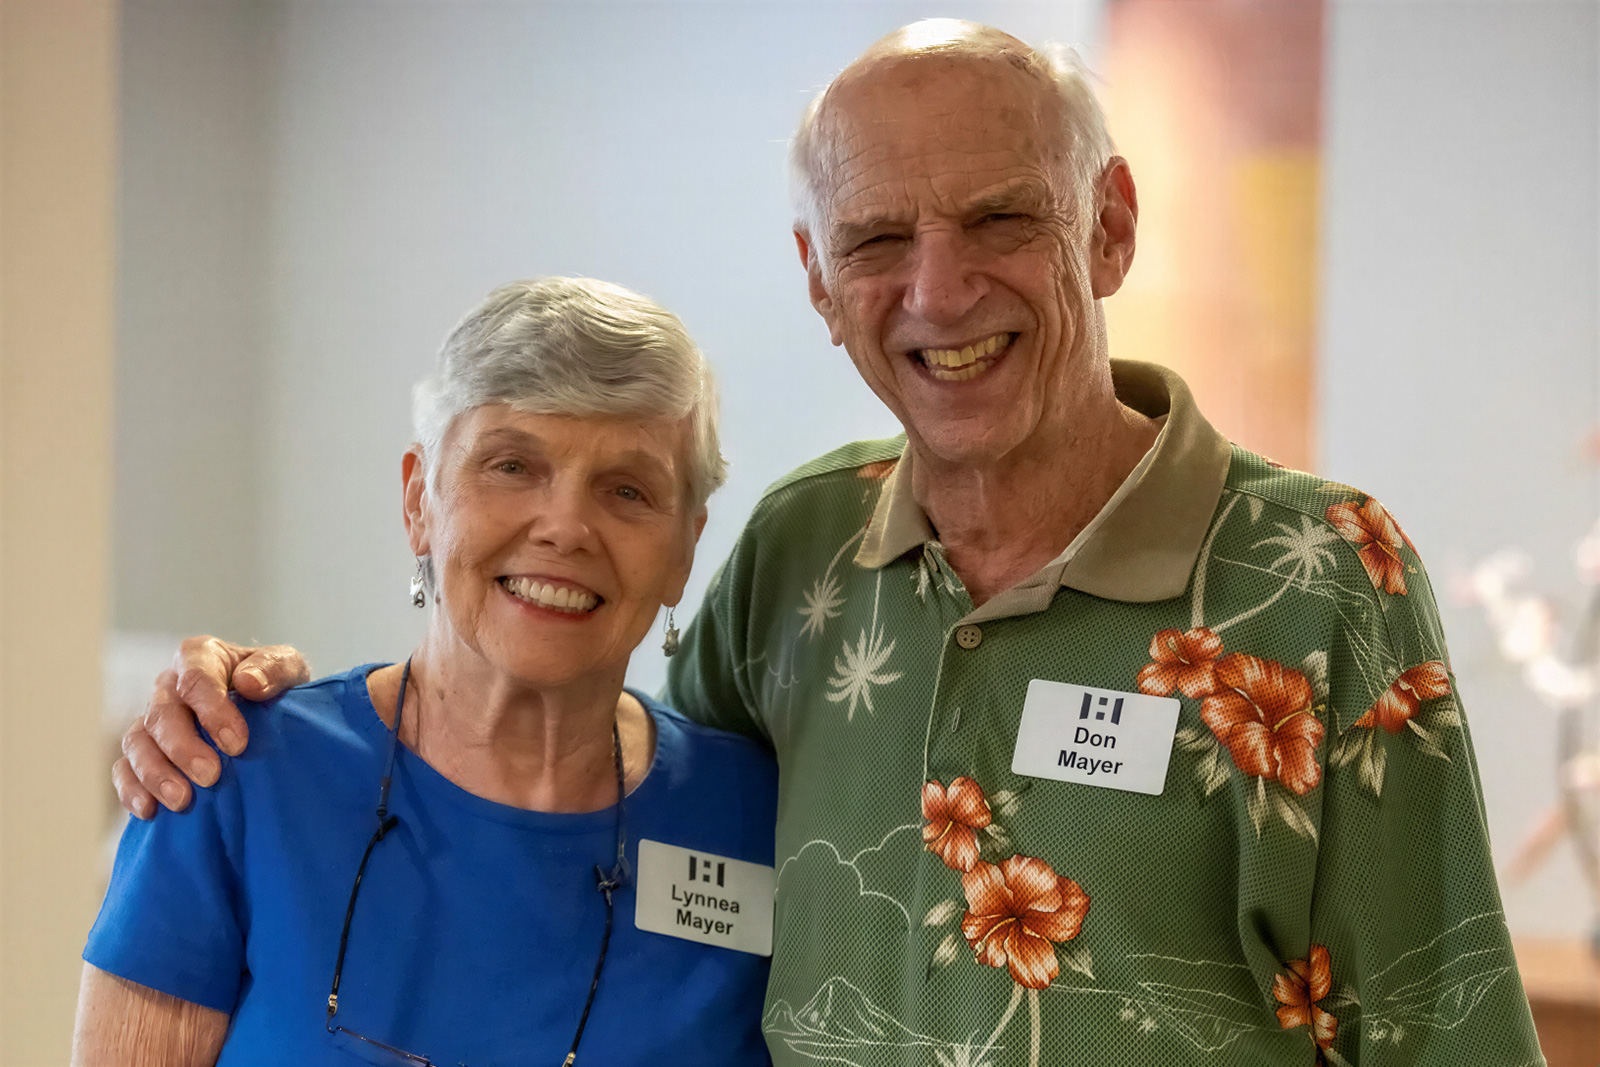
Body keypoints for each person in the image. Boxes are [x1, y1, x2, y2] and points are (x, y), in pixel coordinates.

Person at [114, 21, 1546, 1067]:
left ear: (1107, 229)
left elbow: (1449, 1023)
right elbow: (607, 787)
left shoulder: (1317, 575)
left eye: (1000, 217)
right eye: (874, 239)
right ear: (816, 277)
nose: (938, 287)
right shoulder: (804, 550)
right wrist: (241, 700)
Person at [76, 277, 777, 1066]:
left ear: (685, 547)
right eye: (512, 465)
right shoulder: (232, 770)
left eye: (628, 489)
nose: (566, 528)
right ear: (419, 498)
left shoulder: (759, 815)